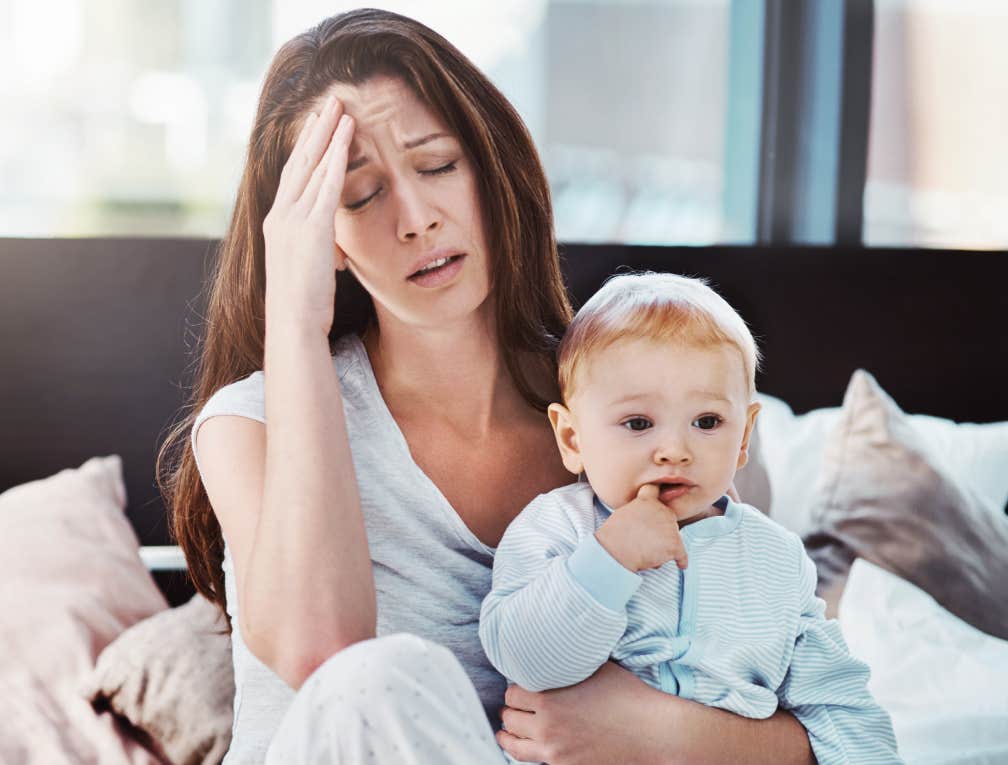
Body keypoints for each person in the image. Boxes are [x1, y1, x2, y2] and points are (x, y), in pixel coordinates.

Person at [158, 8, 819, 763]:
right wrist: (295, 324)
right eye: (362, 195)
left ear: (489, 166)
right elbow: (325, 655)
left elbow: (814, 721)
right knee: (378, 678)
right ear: (321, 239)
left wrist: (652, 731)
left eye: (437, 165)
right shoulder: (251, 423)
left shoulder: (656, 426)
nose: (417, 219)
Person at [479, 272, 901, 764]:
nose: (675, 451)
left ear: (743, 438)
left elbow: (847, 716)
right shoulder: (557, 529)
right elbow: (526, 661)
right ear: (572, 439)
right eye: (638, 423)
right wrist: (608, 560)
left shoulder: (776, 561)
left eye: (707, 422)